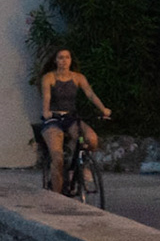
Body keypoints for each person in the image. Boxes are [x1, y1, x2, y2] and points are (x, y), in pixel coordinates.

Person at [37, 48, 111, 195]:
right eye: (61, 58)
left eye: (67, 58)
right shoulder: (49, 77)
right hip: (54, 119)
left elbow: (90, 94)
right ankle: (57, 197)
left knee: (91, 139)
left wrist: (103, 109)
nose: (64, 61)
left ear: (71, 60)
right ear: (55, 60)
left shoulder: (78, 78)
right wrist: (46, 112)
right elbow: (46, 97)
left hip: (71, 117)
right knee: (57, 158)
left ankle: (83, 166)